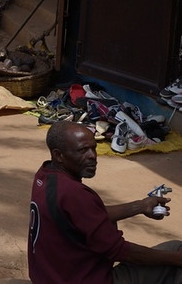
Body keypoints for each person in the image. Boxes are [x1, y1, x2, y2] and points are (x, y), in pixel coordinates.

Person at [28, 120, 182, 283]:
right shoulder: (74, 194)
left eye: (93, 148)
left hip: (48, 277)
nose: (92, 156)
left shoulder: (45, 175)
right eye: (82, 150)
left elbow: (88, 215)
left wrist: (141, 205)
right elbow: (122, 251)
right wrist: (175, 259)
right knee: (176, 249)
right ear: (59, 155)